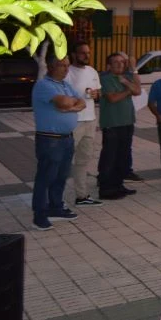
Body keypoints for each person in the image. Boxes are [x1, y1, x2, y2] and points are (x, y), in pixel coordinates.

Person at [31, 52, 86, 229]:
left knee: (61, 176)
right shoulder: (44, 85)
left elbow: (82, 103)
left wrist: (71, 106)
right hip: (50, 140)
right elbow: (63, 102)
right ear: (52, 66)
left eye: (68, 65)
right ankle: (39, 215)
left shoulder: (64, 84)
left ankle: (56, 207)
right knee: (45, 177)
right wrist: (70, 104)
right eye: (63, 65)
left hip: (66, 139)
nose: (67, 69)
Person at [98, 53, 141, 200]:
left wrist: (128, 83)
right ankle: (106, 188)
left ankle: (118, 185)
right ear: (108, 65)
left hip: (127, 122)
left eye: (122, 63)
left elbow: (138, 90)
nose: (119, 65)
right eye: (115, 62)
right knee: (110, 157)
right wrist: (129, 90)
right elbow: (112, 98)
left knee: (122, 156)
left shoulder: (126, 77)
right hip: (112, 123)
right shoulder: (105, 79)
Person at [66, 41, 103, 207]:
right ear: (74, 54)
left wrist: (96, 94)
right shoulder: (67, 73)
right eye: (82, 53)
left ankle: (81, 196)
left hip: (90, 120)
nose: (86, 56)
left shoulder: (92, 71)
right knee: (64, 159)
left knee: (83, 159)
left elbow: (98, 92)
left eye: (88, 52)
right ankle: (55, 199)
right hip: (74, 121)